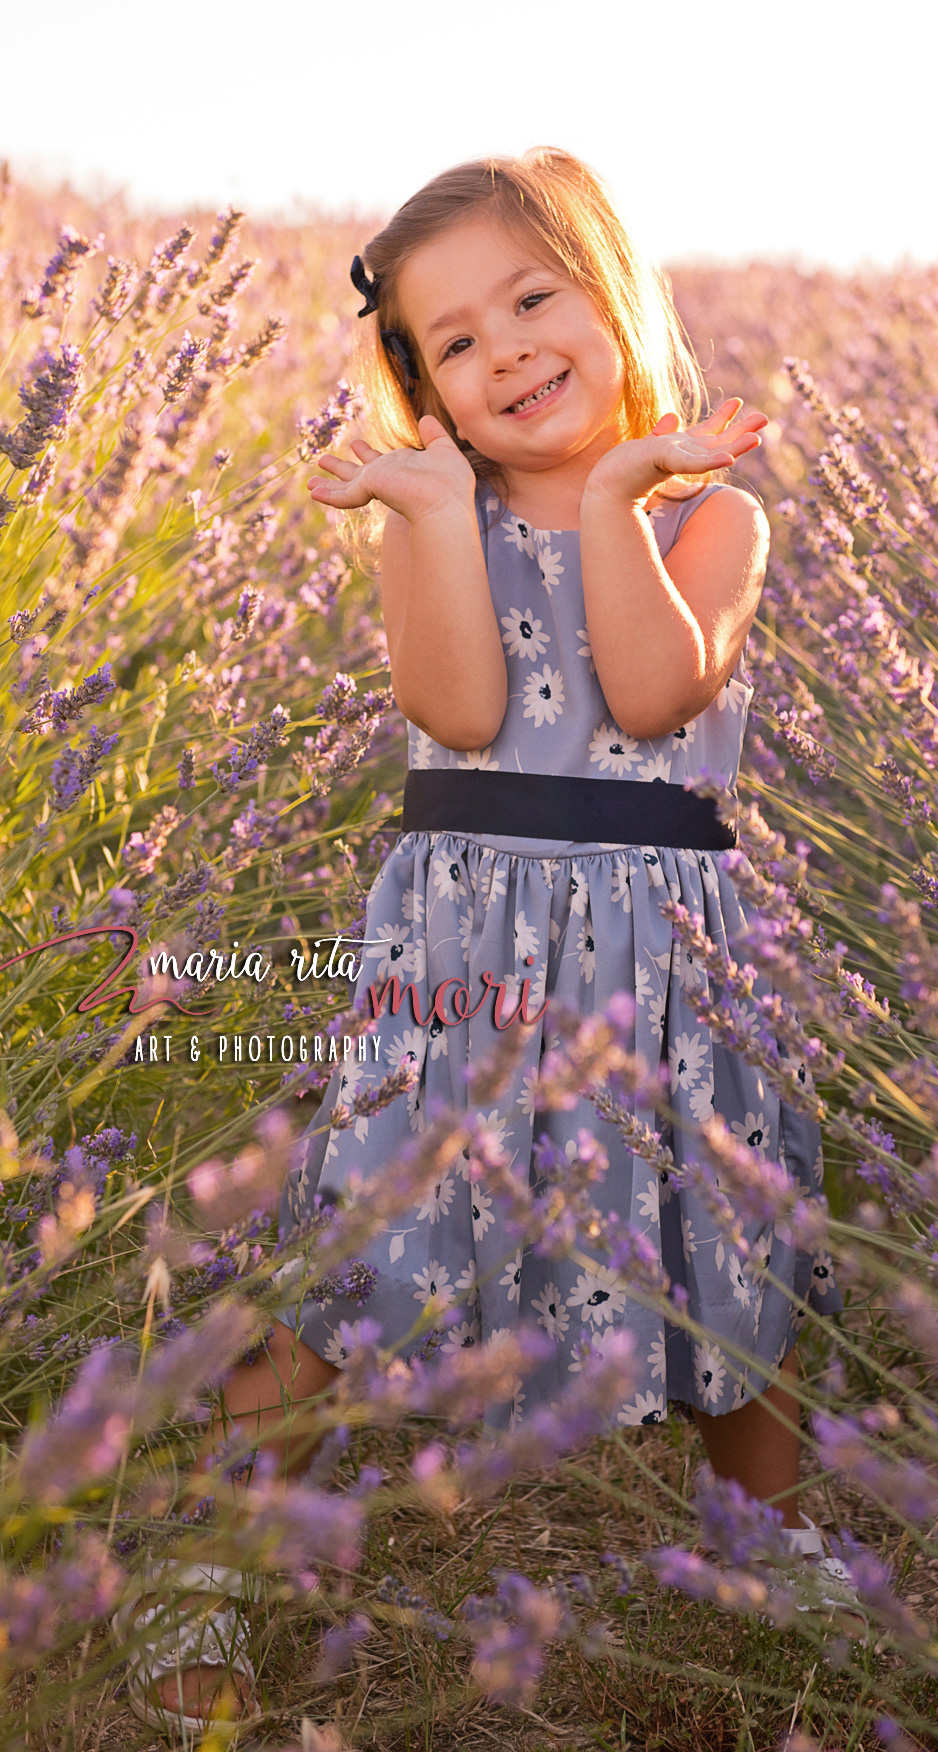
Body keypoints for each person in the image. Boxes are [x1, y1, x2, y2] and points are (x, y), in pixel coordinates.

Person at [120, 148, 854, 1734]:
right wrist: (438, 511)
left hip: (664, 950)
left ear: (614, 291)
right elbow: (456, 709)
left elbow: (654, 692)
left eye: (533, 298)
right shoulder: (425, 511)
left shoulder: (717, 526)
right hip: (458, 945)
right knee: (356, 1231)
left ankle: (772, 1542)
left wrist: (608, 497)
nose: (506, 349)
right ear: (425, 388)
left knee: (716, 1239)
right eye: (454, 341)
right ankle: (216, 1560)